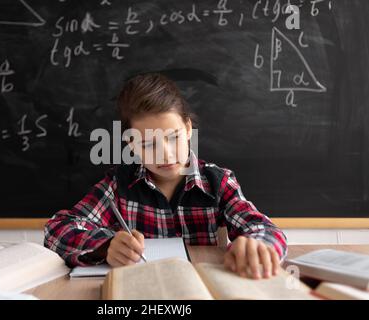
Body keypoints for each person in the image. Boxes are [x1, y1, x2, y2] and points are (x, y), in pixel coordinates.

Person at [44, 73, 287, 279]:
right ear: (131, 144)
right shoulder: (118, 185)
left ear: (189, 128)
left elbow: (264, 228)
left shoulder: (218, 182)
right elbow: (57, 228)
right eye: (149, 144)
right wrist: (105, 246)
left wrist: (258, 245)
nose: (166, 154)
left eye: (173, 137)